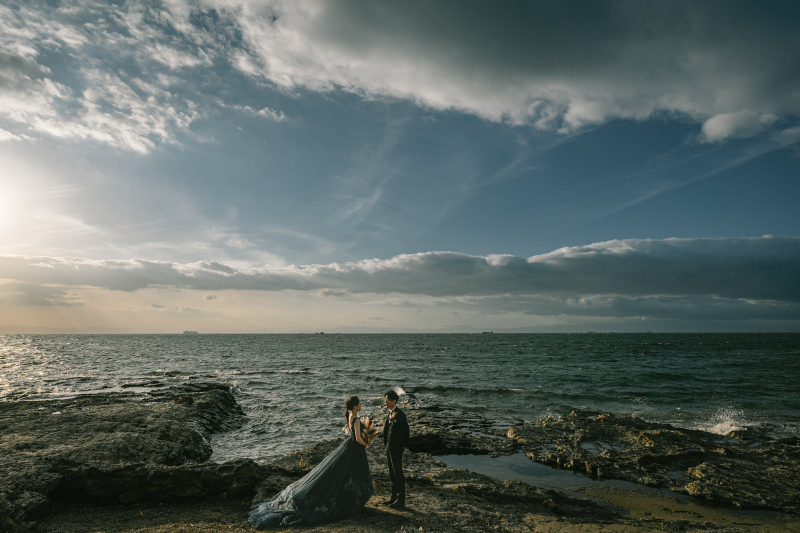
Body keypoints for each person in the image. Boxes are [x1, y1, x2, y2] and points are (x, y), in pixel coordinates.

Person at [249, 396, 374, 529]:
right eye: (359, 403)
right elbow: (358, 438)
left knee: (341, 475)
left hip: (349, 447)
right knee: (351, 475)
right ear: (355, 406)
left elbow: (354, 435)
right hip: (354, 450)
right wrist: (367, 441)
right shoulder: (356, 419)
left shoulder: (351, 417)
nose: (361, 404)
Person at [382, 389, 409, 509]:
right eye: (385, 400)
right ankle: (393, 497)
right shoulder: (389, 413)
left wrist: (403, 445)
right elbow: (387, 430)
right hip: (389, 446)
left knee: (398, 472)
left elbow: (406, 431)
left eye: (387, 400)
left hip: (396, 447)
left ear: (394, 400)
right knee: (392, 473)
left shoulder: (400, 414)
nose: (386, 402)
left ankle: (400, 499)